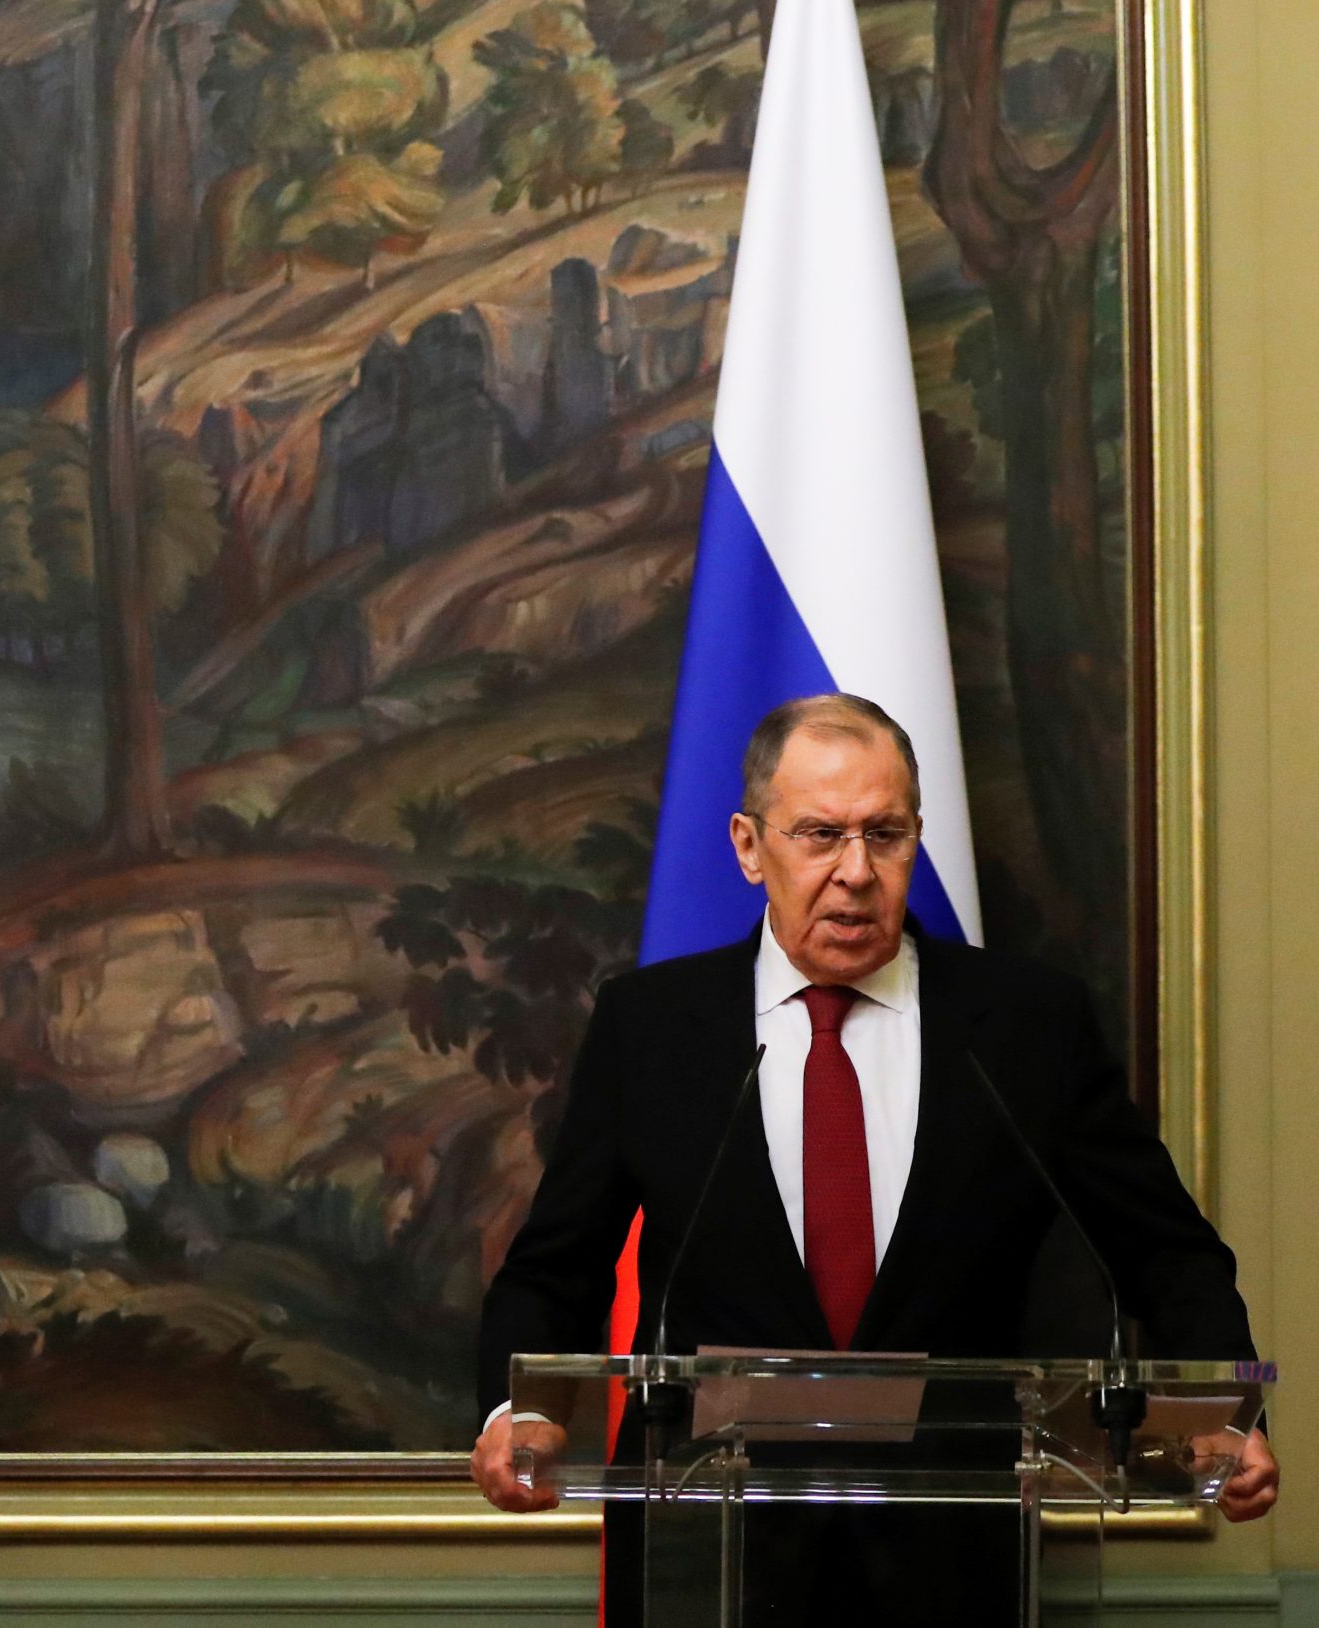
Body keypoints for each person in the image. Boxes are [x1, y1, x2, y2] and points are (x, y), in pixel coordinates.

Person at [468, 694, 1277, 1625]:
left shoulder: (1026, 1027)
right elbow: (556, 1265)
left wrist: (1224, 1407)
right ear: (748, 846)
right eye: (820, 835)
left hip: (954, 1552)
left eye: (884, 835)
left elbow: (1163, 1248)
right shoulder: (651, 1027)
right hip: (712, 1550)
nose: (855, 872)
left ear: (915, 840)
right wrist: (519, 1413)